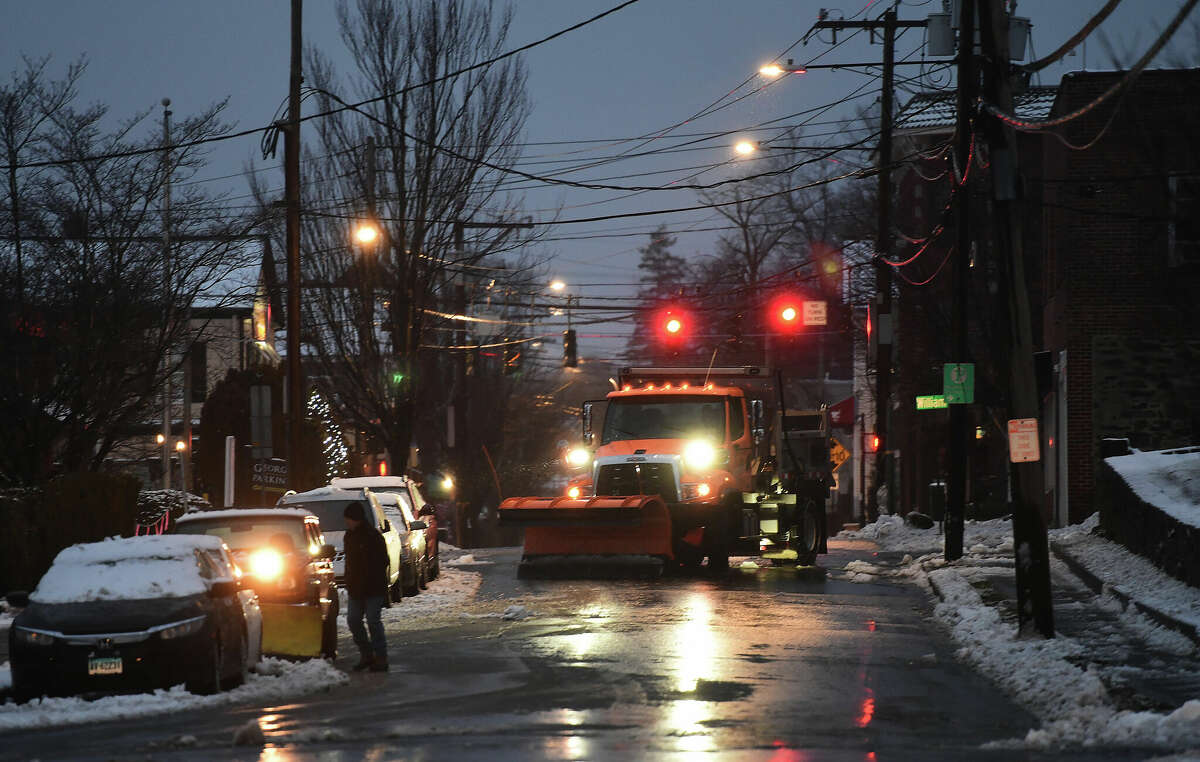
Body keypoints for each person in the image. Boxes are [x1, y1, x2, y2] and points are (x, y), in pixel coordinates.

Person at [342, 502, 389, 672]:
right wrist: (350, 579)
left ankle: (381, 656)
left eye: (349, 519)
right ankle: (366, 653)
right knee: (353, 620)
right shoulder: (349, 536)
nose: (347, 522)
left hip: (373, 588)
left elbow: (384, 561)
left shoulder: (373, 537)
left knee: (373, 621)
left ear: (357, 519)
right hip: (356, 587)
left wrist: (372, 577)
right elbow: (349, 562)